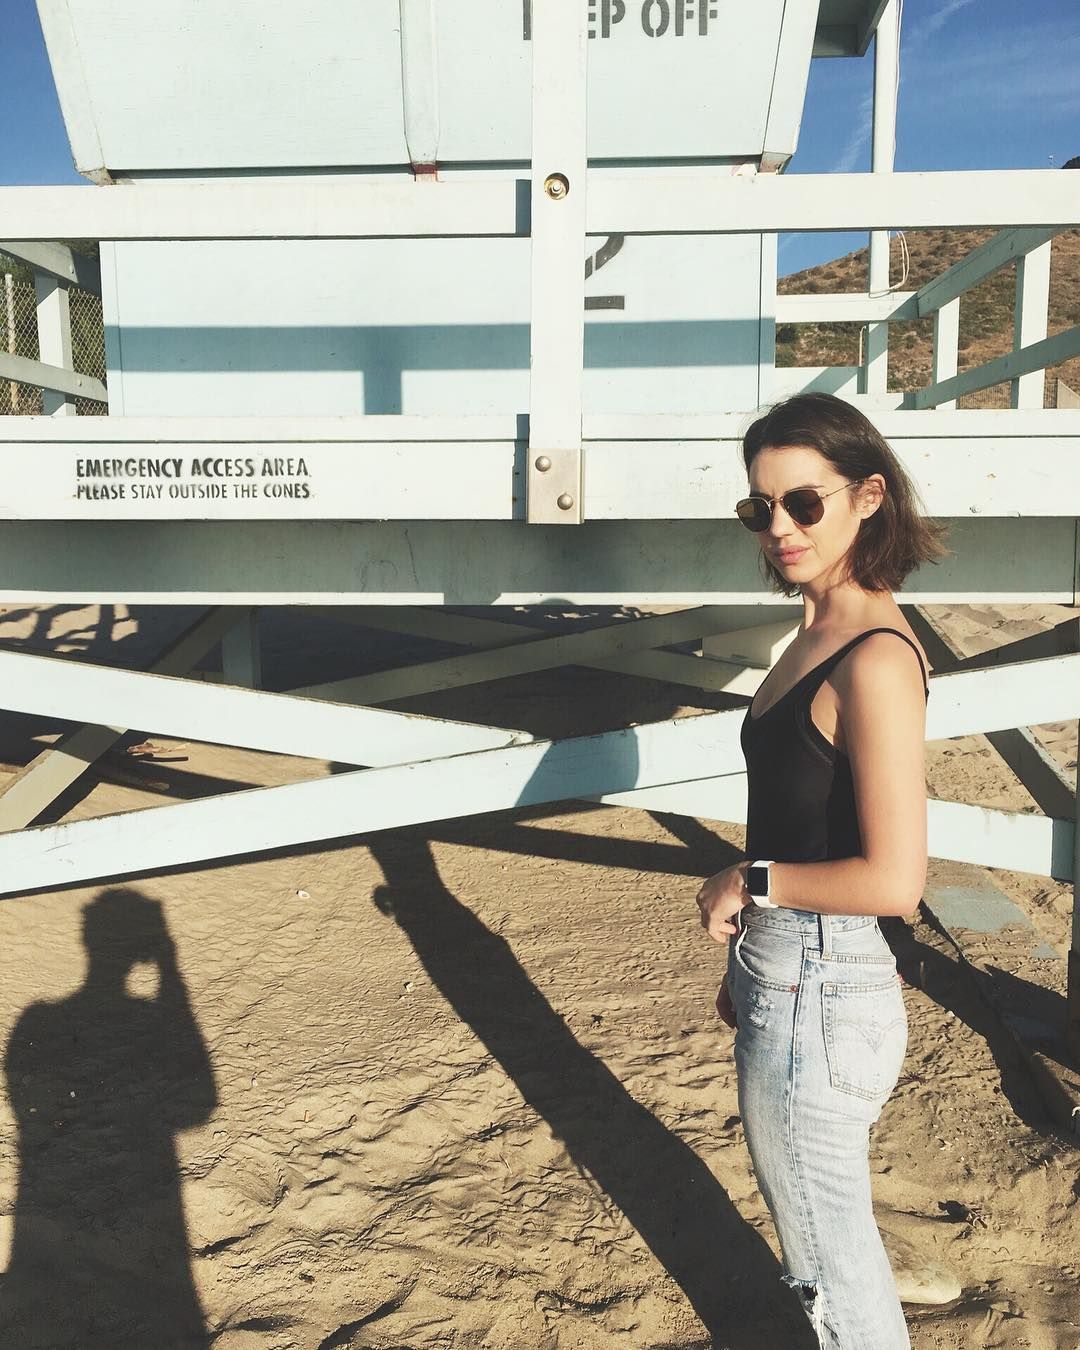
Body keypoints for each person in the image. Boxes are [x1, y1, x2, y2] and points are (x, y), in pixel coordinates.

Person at [694, 392, 947, 1349]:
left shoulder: (873, 657)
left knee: (825, 1264)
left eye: (804, 502)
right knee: (826, 1237)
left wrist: (750, 882)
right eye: (759, 508)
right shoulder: (815, 633)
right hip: (794, 971)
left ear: (869, 496)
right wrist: (753, 958)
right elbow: (799, 813)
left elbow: (895, 881)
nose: (780, 528)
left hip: (824, 981)